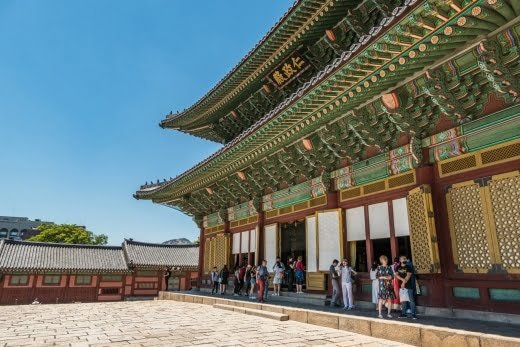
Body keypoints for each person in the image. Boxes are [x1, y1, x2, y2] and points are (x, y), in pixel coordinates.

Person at [396, 255, 417, 320]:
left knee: (411, 300)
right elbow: (396, 275)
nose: (404, 260)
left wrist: (403, 283)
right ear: (400, 260)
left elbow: (408, 275)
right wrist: (402, 281)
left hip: (409, 285)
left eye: (405, 259)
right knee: (403, 300)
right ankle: (403, 313)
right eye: (403, 259)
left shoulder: (408, 267)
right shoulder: (397, 267)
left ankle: (413, 314)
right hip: (401, 286)